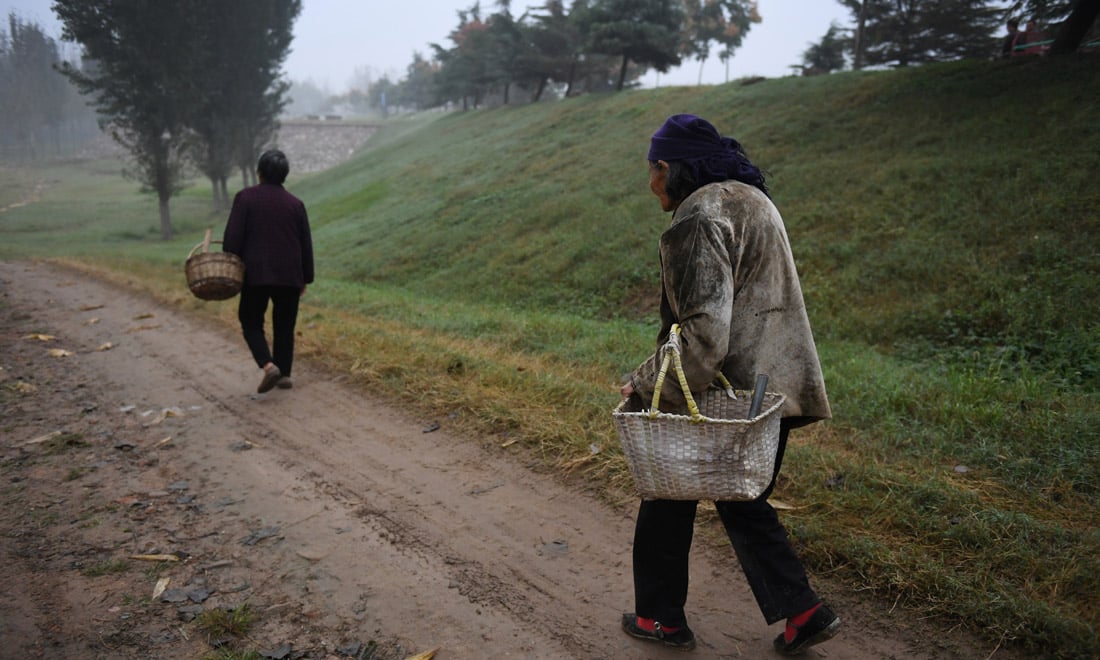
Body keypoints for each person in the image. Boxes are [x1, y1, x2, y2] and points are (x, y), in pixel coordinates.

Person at [619, 114, 838, 655]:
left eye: (651, 171)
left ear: (667, 168)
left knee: (668, 492)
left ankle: (661, 619)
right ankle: (802, 611)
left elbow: (702, 333)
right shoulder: (751, 198)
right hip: (780, 382)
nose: (650, 185)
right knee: (741, 498)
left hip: (728, 393)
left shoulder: (699, 216)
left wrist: (646, 387)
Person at [223, 149, 314, 393]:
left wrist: (232, 261)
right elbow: (305, 243)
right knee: (284, 324)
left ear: (259, 173)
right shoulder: (296, 204)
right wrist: (306, 277)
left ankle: (267, 364)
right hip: (289, 275)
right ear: (285, 175)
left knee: (250, 320)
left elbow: (232, 238)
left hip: (255, 275)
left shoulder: (245, 198)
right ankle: (283, 373)